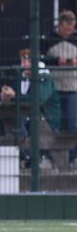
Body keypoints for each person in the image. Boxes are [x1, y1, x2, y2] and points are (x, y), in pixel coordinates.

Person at [43, 10, 77, 141]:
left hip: (73, 87)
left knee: (71, 124)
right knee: (53, 124)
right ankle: (52, 152)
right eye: (66, 29)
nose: (69, 32)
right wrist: (56, 61)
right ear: (60, 25)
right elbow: (41, 60)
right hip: (53, 88)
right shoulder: (48, 39)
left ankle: (72, 152)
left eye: (71, 29)